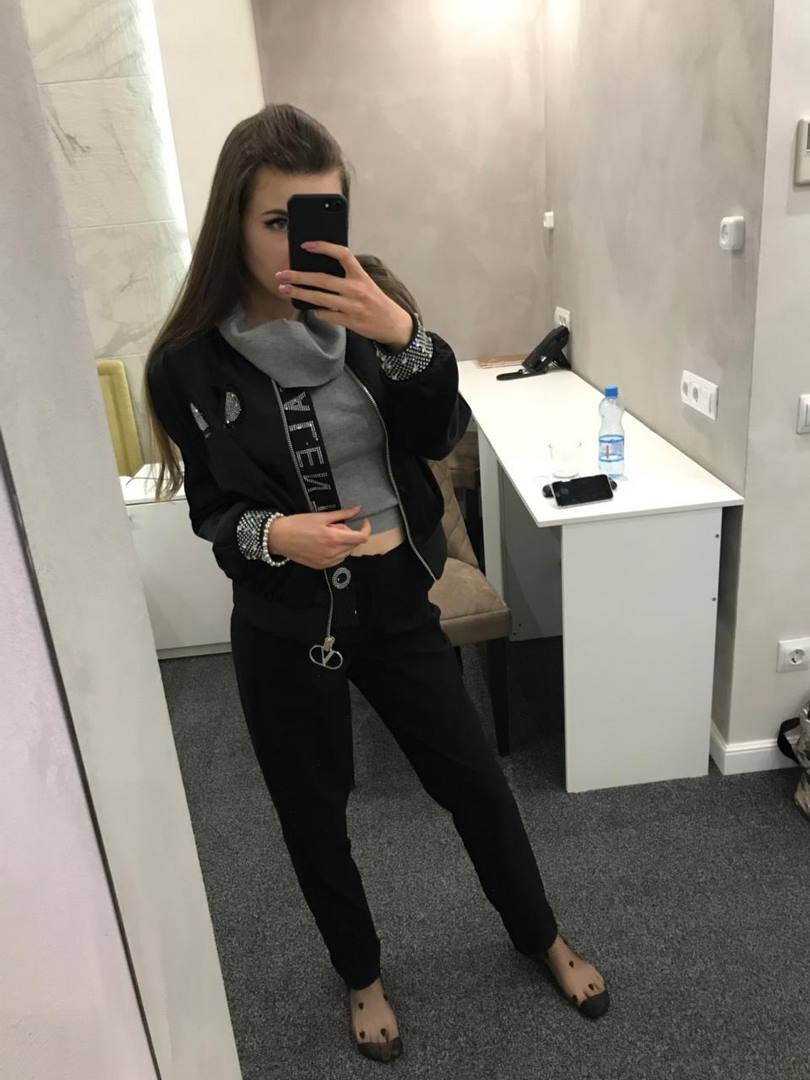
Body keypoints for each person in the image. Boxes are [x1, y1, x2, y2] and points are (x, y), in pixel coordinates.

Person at [144, 103, 609, 1065]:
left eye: (319, 215)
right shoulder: (187, 363)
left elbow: (438, 435)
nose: (299, 242)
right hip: (286, 622)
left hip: (395, 600)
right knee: (314, 815)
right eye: (276, 220)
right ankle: (361, 975)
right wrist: (278, 535)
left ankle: (542, 937)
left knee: (476, 784)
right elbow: (215, 516)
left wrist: (405, 337)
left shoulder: (371, 303)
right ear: (234, 221)